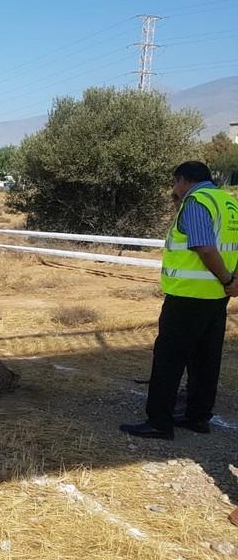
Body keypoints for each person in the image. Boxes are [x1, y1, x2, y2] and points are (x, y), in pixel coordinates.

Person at [120, 161, 238, 440]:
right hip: (216, 297)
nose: (175, 189)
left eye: (176, 183)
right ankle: (197, 417)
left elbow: (204, 248)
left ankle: (159, 422)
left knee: (169, 359)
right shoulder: (228, 203)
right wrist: (233, 281)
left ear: (184, 179)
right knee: (206, 359)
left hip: (188, 295)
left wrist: (226, 279)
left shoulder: (197, 202)